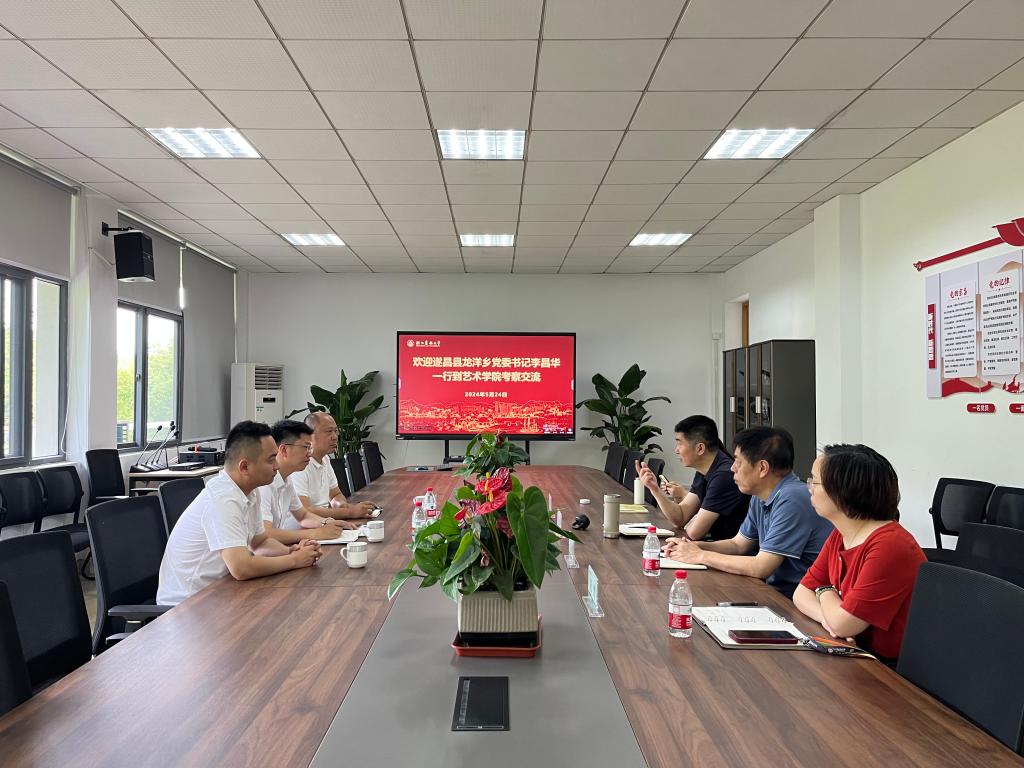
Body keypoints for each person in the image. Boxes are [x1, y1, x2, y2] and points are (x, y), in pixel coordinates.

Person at [157, 420, 321, 606]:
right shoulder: (223, 499)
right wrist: (294, 560)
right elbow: (241, 568)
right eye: (270, 459)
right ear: (244, 467)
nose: (277, 465)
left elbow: (260, 543)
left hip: (221, 592)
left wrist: (291, 550)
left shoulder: (250, 491)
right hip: (185, 606)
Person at [662, 426, 832, 598]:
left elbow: (761, 567)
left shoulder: (792, 498)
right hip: (775, 593)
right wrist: (693, 547)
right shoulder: (761, 495)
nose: (732, 468)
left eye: (738, 461)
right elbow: (738, 545)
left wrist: (700, 556)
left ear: (762, 468)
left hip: (796, 601)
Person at [793, 444, 926, 661]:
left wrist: (824, 590)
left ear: (843, 491)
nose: (809, 488)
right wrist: (827, 618)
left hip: (891, 669)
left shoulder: (890, 545)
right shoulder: (841, 534)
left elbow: (844, 624)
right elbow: (801, 594)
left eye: (814, 482)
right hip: (856, 654)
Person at [636, 415, 749, 540]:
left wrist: (693, 519)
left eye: (680, 444)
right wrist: (655, 489)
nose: (676, 450)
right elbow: (681, 517)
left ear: (700, 448)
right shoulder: (704, 470)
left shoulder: (724, 475)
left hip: (729, 549)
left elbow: (694, 532)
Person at [261, 419, 356, 543]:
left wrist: (328, 522)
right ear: (284, 450)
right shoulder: (263, 483)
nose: (310, 454)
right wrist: (316, 533)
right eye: (306, 447)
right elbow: (265, 533)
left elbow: (303, 516)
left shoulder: (286, 479)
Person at [292, 412, 377, 520]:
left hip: (324, 522)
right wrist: (349, 512)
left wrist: (344, 506)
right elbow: (304, 511)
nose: (335, 437)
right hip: (307, 527)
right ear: (309, 435)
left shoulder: (325, 459)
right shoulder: (300, 464)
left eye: (336, 431)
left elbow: (335, 495)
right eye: (329, 431)